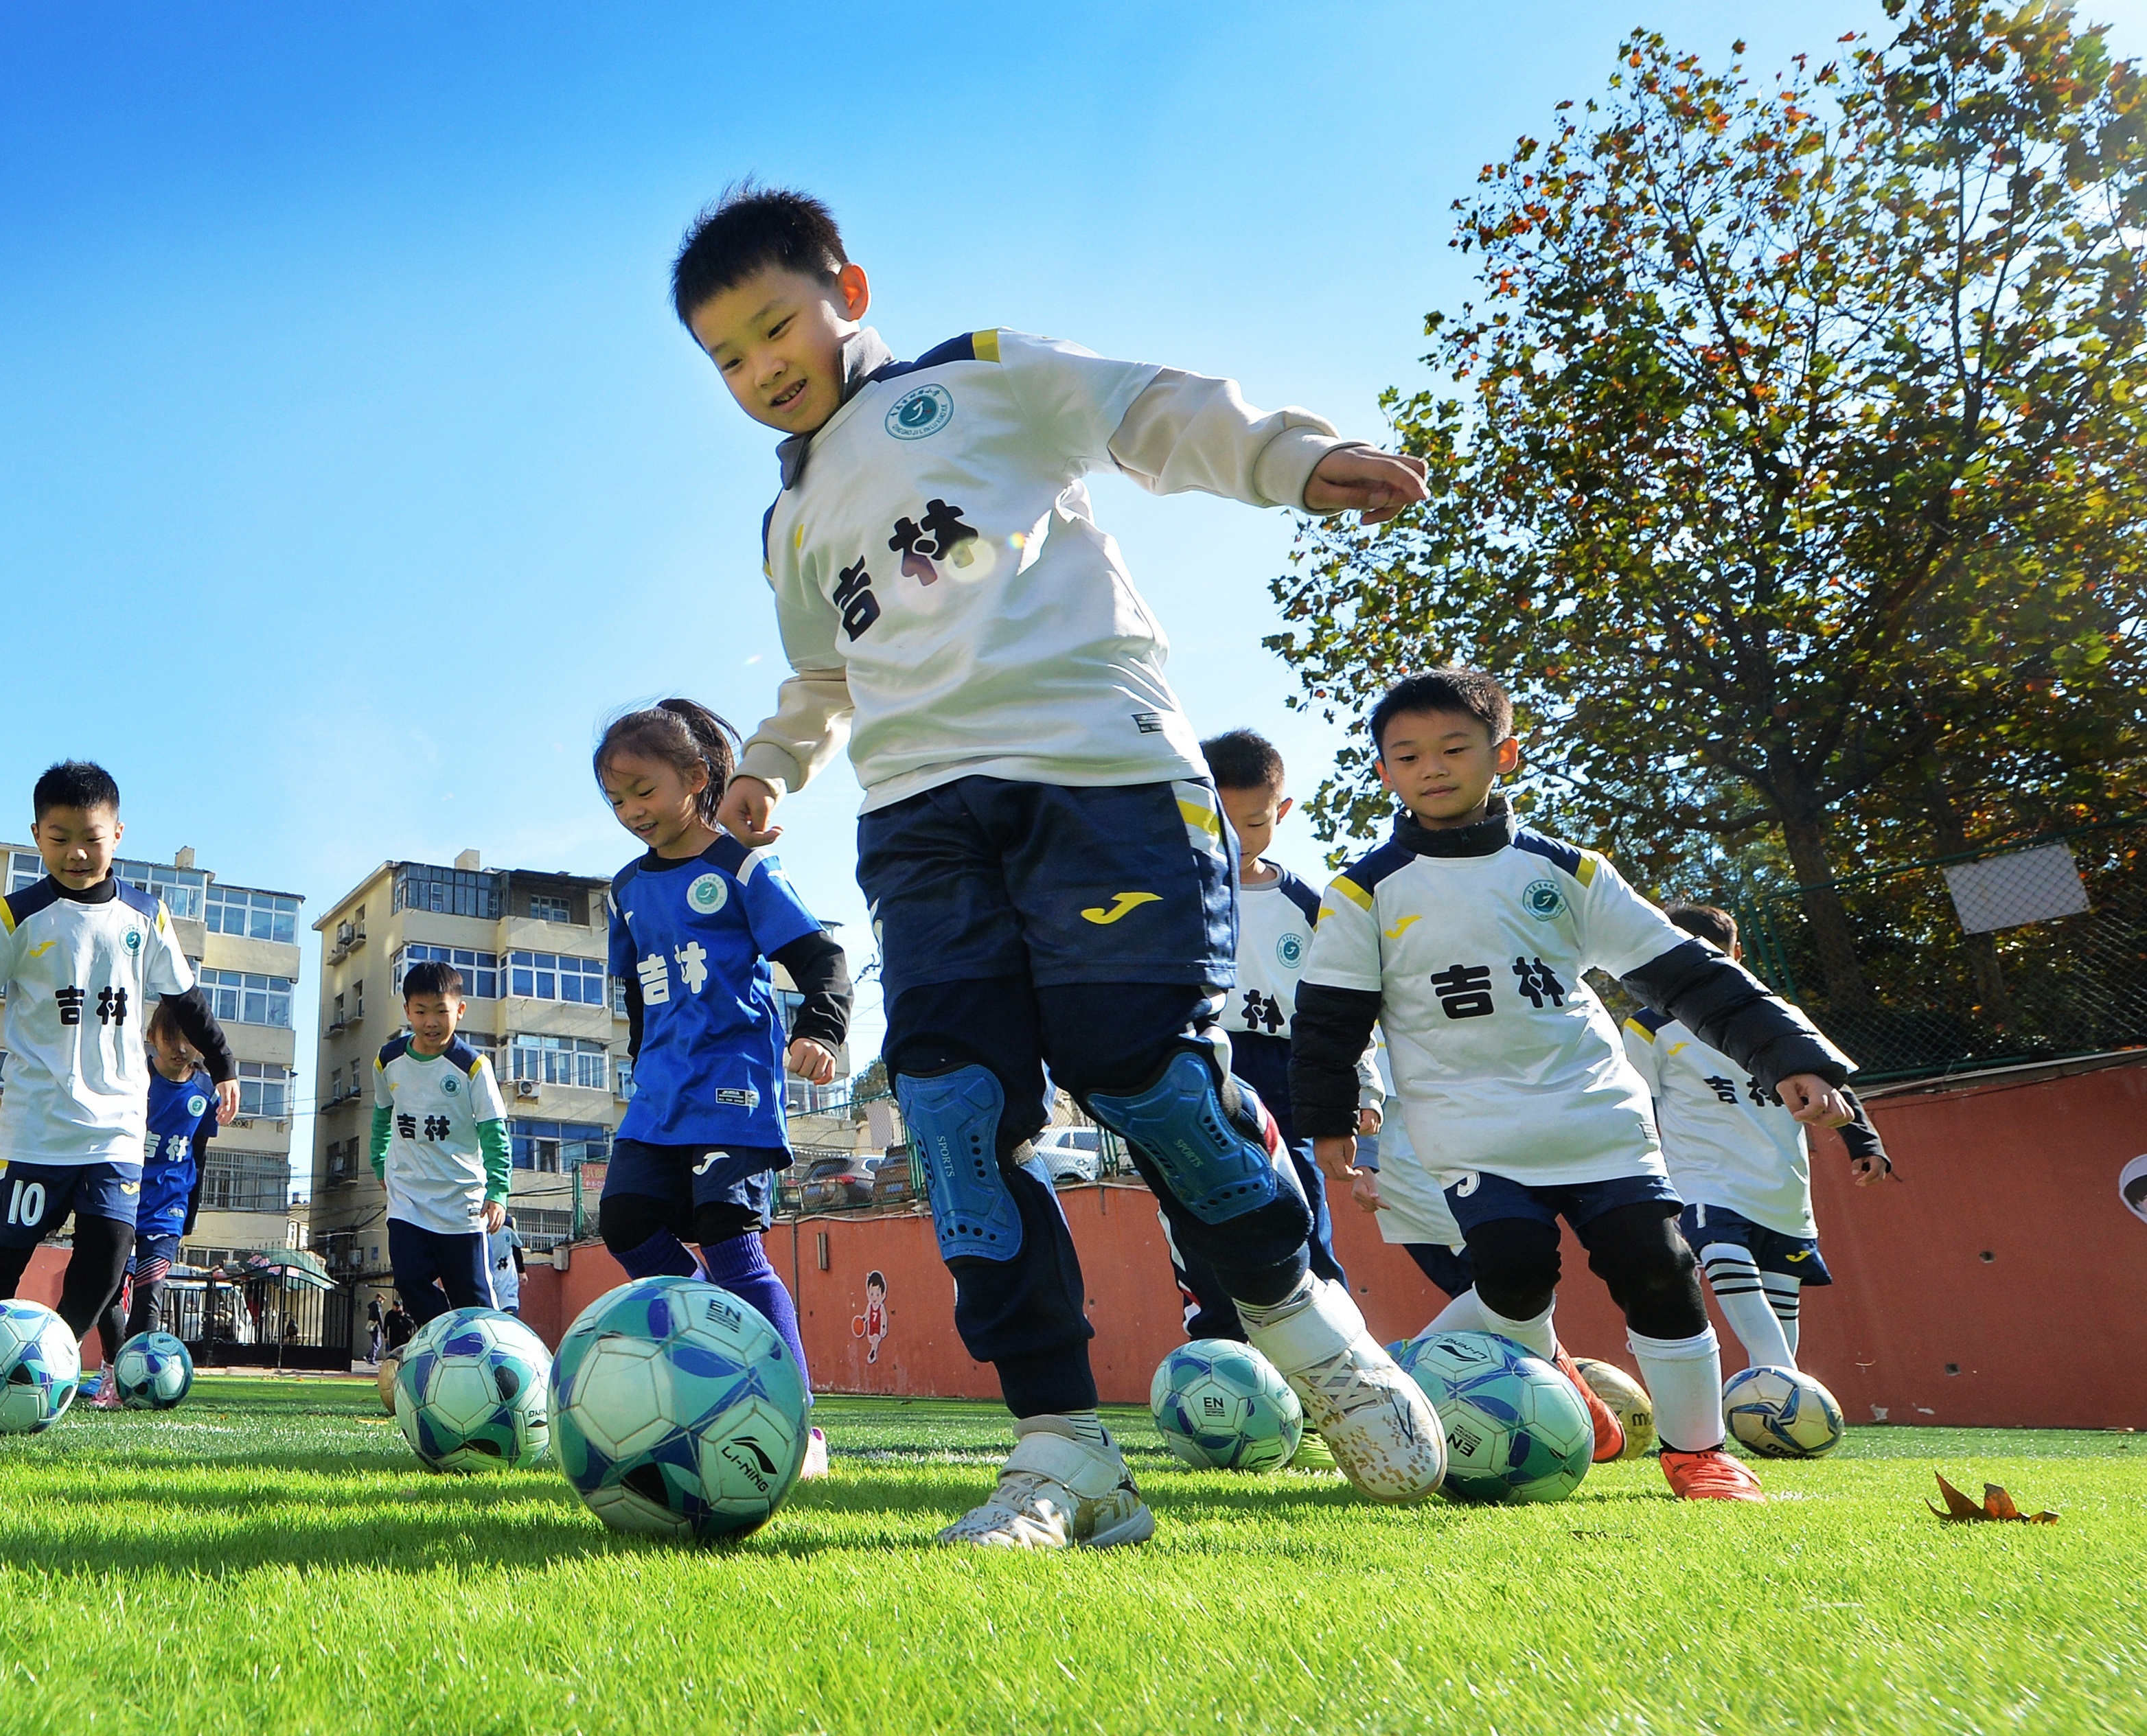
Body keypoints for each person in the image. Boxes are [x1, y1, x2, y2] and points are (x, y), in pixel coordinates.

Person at [671, 185, 1440, 1544]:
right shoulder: (788, 523)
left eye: (772, 326)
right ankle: (1064, 1452)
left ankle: (1305, 1323)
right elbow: (818, 672)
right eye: (724, 358)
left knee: (1141, 1072)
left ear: (847, 286)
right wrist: (770, 764)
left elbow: (1146, 407)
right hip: (918, 818)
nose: (757, 370)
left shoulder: (978, 379)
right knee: (957, 1104)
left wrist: (1292, 457)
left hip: (1099, 774)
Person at [1291, 669, 1861, 1501]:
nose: (1432, 768)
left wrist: (1793, 1057)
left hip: (1593, 1113)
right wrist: (1331, 1116)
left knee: (1658, 1267)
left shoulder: (1566, 870)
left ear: (1504, 755)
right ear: (1384, 773)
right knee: (1513, 1272)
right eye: (1406, 755)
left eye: (1454, 748)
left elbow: (1686, 975)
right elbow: (1329, 1017)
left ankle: (1695, 1454)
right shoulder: (1363, 891)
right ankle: (1529, 1378)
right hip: (1468, 1124)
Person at [0, 761, 238, 1432]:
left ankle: (46, 1373)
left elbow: (186, 1000)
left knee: (102, 1270)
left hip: (116, 1132)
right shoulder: (16, 916)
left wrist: (225, 1065)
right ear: (36, 835)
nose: (76, 852)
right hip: (36, 1130)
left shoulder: (146, 915)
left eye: (92, 838)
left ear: (118, 835)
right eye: (60, 836)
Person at [597, 699, 851, 1481]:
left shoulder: (740, 868)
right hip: (658, 1097)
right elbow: (639, 997)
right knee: (625, 1223)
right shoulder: (625, 890)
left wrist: (821, 1030)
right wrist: (642, 1065)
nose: (631, 810)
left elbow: (821, 959)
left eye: (642, 789)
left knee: (729, 1237)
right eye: (615, 799)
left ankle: (796, 1425)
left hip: (732, 1090)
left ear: (696, 778)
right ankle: (713, 1336)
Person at [1624, 903, 1894, 1374]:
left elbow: (1829, 1081)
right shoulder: (1649, 1027)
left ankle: (1774, 1393)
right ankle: (1785, 1385)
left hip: (1781, 1183)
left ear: (1738, 955)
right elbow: (1634, 1100)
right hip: (1706, 1178)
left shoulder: (1779, 1017)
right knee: (1726, 1260)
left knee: (1781, 1290)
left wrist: (1864, 1141)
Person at [89, 999, 220, 1407]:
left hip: (168, 1209)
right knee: (107, 1290)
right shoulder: (135, 1079)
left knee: (149, 1293)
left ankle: (136, 1383)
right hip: (122, 1201)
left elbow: (199, 1153)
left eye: (189, 1039)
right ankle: (112, 1369)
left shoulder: (205, 1091)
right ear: (151, 1037)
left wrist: (190, 1211)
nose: (180, 1047)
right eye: (170, 1036)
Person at [370, 959, 511, 1329]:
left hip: (460, 1202)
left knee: (473, 1298)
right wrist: (378, 1159)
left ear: (460, 1011)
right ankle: (448, 1344)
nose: (431, 1022)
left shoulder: (473, 1067)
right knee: (409, 1279)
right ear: (407, 1012)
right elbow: (383, 1113)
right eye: (420, 1011)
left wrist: (498, 1191)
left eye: (441, 1011)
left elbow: (495, 1131)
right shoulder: (388, 1060)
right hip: (408, 1197)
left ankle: (496, 1361)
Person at [1344, 1050, 1474, 1305]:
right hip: (1397, 1154)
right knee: (1482, 1280)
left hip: (1445, 1126)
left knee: (1490, 1282)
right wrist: (1364, 1163)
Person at [485, 1220, 525, 1315]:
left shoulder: (507, 1224)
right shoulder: (479, 1226)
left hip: (507, 1281)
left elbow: (516, 1248)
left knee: (509, 1315)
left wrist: (521, 1271)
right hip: (489, 1280)